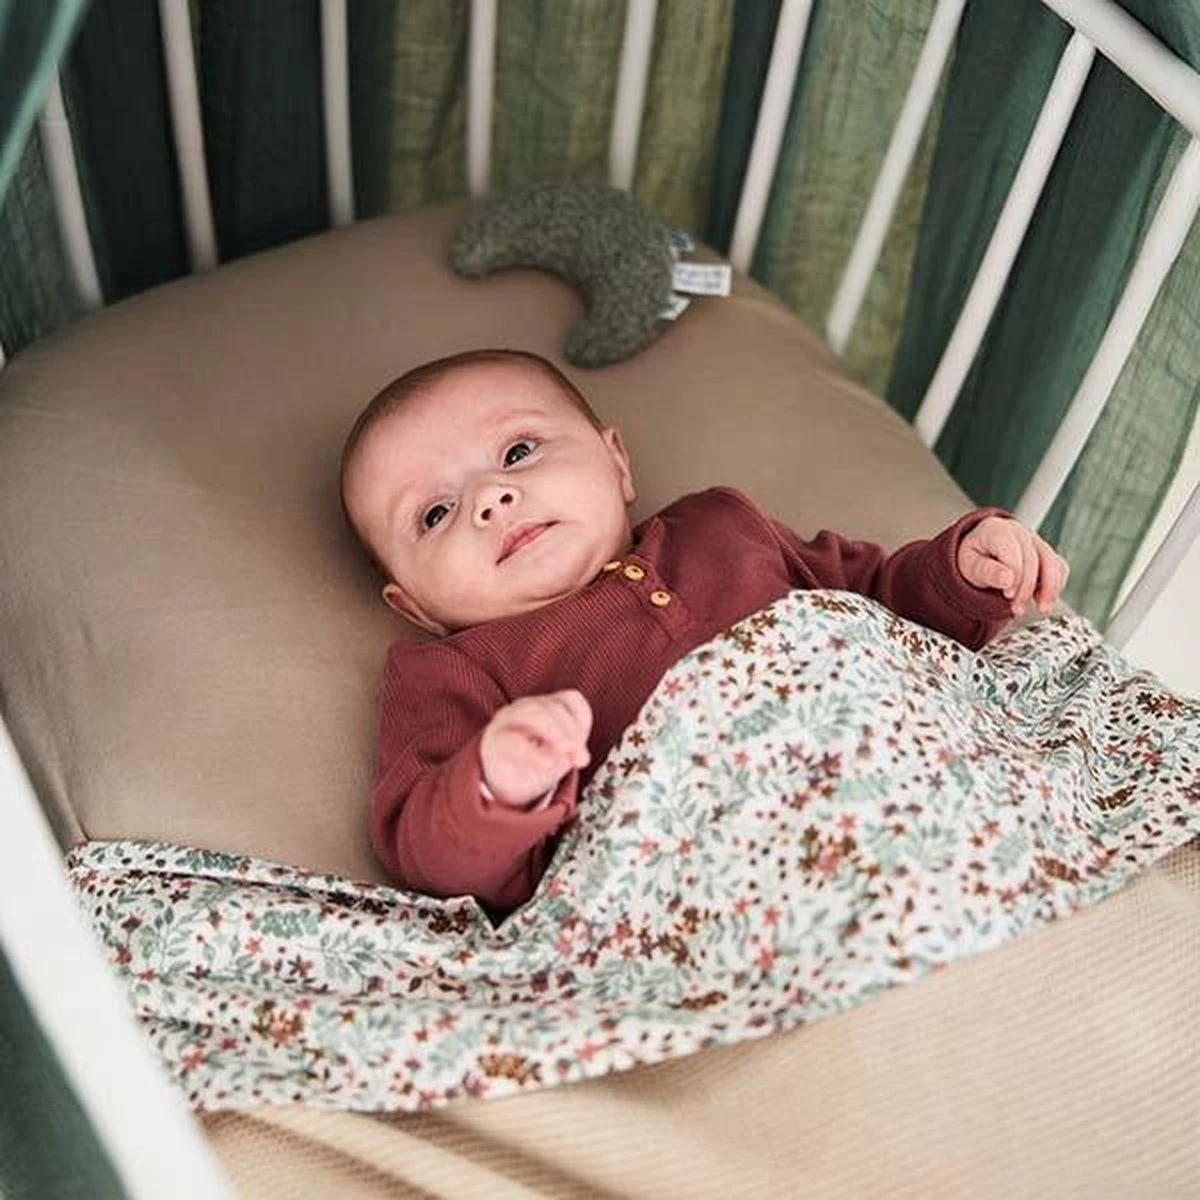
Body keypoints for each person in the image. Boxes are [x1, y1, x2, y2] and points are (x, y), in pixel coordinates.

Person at [340, 349, 1069, 914]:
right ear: (416, 606)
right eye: (434, 514)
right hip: (714, 881)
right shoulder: (457, 667)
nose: (491, 499)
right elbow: (423, 849)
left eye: (518, 452)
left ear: (616, 463)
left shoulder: (724, 525)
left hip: (908, 781)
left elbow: (880, 598)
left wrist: (960, 573)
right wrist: (495, 785)